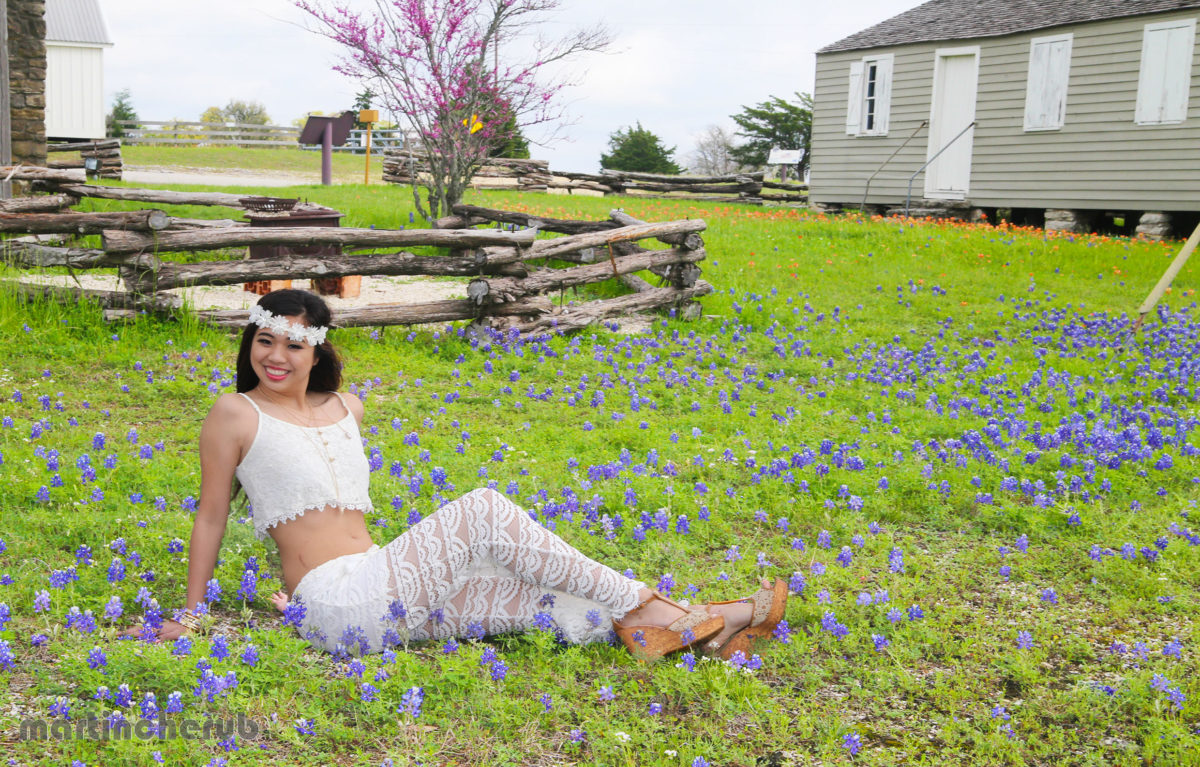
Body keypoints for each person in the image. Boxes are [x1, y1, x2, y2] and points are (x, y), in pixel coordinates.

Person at [146, 289, 787, 660]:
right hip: (336, 604)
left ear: (319, 351)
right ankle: (654, 606)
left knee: (551, 599)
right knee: (482, 509)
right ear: (249, 343)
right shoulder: (235, 413)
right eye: (265, 341)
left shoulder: (348, 407)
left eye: (293, 344)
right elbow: (211, 514)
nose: (276, 356)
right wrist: (192, 613)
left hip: (391, 588)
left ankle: (702, 626)